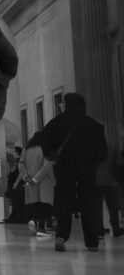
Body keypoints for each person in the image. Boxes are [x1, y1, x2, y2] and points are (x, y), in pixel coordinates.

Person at [40, 92, 107, 252]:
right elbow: (102, 152)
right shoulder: (94, 126)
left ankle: (62, 236)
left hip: (64, 168)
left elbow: (45, 144)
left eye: (62, 103)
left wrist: (54, 156)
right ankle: (91, 241)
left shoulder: (55, 123)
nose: (60, 105)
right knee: (88, 203)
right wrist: (92, 162)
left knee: (64, 202)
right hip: (87, 169)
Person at [18, 131, 54, 237]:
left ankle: (34, 221)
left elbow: (21, 164)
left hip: (29, 181)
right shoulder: (44, 149)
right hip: (42, 181)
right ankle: (41, 227)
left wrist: (26, 176)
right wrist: (36, 178)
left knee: (33, 204)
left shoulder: (26, 149)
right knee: (43, 205)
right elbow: (46, 166)